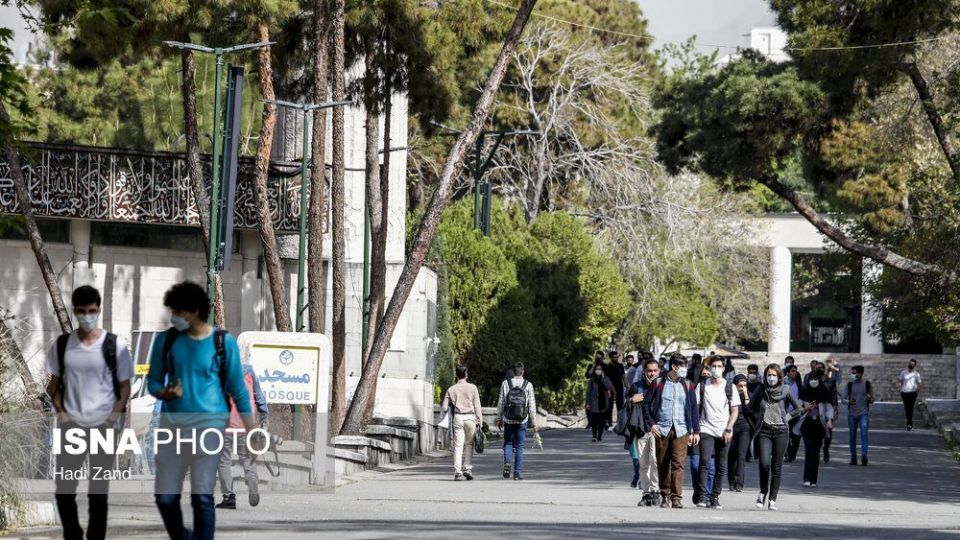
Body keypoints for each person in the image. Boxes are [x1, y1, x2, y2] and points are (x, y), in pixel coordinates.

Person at [147, 282, 256, 540]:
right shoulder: (166, 340)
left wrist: (252, 432)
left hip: (210, 429)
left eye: (178, 312)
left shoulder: (223, 343)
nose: (174, 317)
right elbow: (153, 381)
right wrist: (164, 393)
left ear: (195, 311)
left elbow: (239, 391)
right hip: (173, 430)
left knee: (202, 496)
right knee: (165, 497)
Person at [46, 285, 133, 540]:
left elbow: (125, 387)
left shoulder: (114, 345)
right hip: (71, 427)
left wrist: (113, 417)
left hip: (103, 427)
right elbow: (53, 386)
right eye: (82, 311)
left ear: (99, 310)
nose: (87, 316)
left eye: (92, 311)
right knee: (64, 489)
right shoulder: (62, 345)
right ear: (74, 311)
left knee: (98, 491)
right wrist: (62, 414)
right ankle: (73, 533)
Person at [748, 364, 811, 511]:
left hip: (781, 431)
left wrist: (787, 417)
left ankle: (772, 499)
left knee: (776, 466)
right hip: (764, 431)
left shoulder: (786, 390)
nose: (771, 378)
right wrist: (759, 418)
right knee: (764, 463)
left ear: (779, 377)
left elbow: (799, 408)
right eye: (769, 375)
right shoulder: (761, 389)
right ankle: (763, 491)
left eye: (774, 375)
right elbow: (750, 408)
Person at [641, 354, 700, 509]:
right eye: (683, 366)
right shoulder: (658, 383)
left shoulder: (688, 384)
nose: (685, 369)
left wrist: (695, 431)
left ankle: (676, 498)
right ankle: (665, 496)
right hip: (662, 429)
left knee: (678, 464)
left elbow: (693, 408)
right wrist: (652, 424)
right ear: (674, 366)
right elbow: (646, 404)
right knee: (662, 463)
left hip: (682, 430)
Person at [216, 362, 268, 508]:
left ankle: (229, 497)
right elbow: (260, 398)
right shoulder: (249, 372)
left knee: (223, 460)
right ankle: (252, 482)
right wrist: (264, 416)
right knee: (247, 458)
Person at [695, 356, 740, 510]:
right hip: (705, 429)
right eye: (713, 366)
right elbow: (695, 408)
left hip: (724, 430)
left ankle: (714, 497)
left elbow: (735, 411)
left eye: (719, 366)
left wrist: (729, 428)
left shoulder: (730, 387)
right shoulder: (702, 386)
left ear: (724, 368)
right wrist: (695, 430)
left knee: (721, 466)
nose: (716, 369)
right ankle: (702, 495)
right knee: (704, 462)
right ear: (709, 367)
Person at [441, 366, 484, 480]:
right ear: (466, 375)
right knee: (469, 444)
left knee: (458, 445)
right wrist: (480, 421)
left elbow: (444, 407)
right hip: (470, 417)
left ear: (456, 375)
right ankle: (467, 468)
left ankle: (457, 471)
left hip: (458, 417)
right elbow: (477, 406)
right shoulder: (473, 388)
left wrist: (451, 405)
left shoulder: (451, 389)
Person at [497, 362, 538, 480]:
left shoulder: (506, 383)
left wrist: (499, 418)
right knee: (519, 446)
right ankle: (517, 473)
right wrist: (534, 423)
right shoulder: (528, 385)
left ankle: (507, 463)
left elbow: (501, 402)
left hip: (508, 419)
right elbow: (531, 406)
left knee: (508, 443)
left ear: (513, 371)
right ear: (523, 371)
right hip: (522, 420)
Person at [628, 358, 660, 506]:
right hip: (641, 430)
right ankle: (646, 493)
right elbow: (625, 408)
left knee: (655, 461)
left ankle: (655, 491)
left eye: (655, 370)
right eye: (649, 371)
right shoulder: (636, 387)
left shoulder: (663, 386)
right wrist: (631, 400)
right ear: (644, 371)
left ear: (659, 371)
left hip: (657, 430)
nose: (652, 373)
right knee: (643, 463)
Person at [797, 368, 833, 487]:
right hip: (806, 424)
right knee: (809, 451)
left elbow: (829, 408)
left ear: (819, 380)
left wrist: (829, 420)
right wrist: (806, 408)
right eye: (811, 379)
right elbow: (798, 408)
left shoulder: (824, 393)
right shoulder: (804, 393)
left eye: (815, 379)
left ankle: (813, 480)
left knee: (816, 453)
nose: (813, 381)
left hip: (819, 425)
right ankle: (806, 478)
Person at [727, 374, 755, 492]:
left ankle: (739, 483)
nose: (742, 388)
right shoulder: (729, 395)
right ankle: (732, 480)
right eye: (740, 386)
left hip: (745, 427)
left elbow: (751, 411)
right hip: (732, 427)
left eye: (744, 385)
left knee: (741, 454)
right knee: (731, 455)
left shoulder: (750, 395)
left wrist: (746, 396)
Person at [845, 365, 874, 466]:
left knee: (864, 435)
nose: (852, 375)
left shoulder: (867, 384)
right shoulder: (849, 385)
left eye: (854, 373)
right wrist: (848, 401)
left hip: (863, 414)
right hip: (852, 414)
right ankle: (853, 457)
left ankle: (864, 456)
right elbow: (843, 399)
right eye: (851, 373)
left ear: (860, 374)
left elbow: (872, 399)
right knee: (852, 436)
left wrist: (870, 398)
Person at [585, 364, 614, 442]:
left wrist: (603, 378)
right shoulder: (592, 379)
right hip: (594, 403)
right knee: (594, 421)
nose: (598, 370)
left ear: (602, 370)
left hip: (603, 403)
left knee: (602, 421)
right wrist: (587, 403)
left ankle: (599, 436)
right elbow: (588, 392)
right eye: (597, 369)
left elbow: (609, 387)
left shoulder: (606, 378)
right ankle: (594, 436)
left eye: (599, 369)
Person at [783, 364, 802, 463]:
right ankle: (788, 454)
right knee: (786, 435)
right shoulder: (783, 384)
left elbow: (801, 396)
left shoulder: (798, 383)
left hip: (796, 413)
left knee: (796, 436)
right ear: (788, 373)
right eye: (793, 371)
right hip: (785, 414)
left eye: (796, 371)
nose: (795, 373)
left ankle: (793, 453)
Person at [899, 359, 922, 430]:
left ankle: (909, 424)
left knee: (911, 408)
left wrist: (916, 391)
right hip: (904, 392)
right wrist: (900, 389)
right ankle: (909, 423)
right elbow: (899, 381)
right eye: (910, 363)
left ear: (914, 365)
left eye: (912, 364)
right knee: (907, 408)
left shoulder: (916, 374)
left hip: (912, 393)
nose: (910, 365)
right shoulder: (903, 372)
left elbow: (919, 383)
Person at [606, 351, 627, 428]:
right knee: (609, 406)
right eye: (615, 357)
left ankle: (619, 422)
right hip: (610, 389)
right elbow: (606, 379)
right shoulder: (607, 367)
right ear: (611, 358)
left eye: (617, 357)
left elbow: (624, 377)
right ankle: (609, 422)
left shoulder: (620, 366)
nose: (616, 358)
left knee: (620, 406)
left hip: (619, 388)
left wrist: (627, 387)